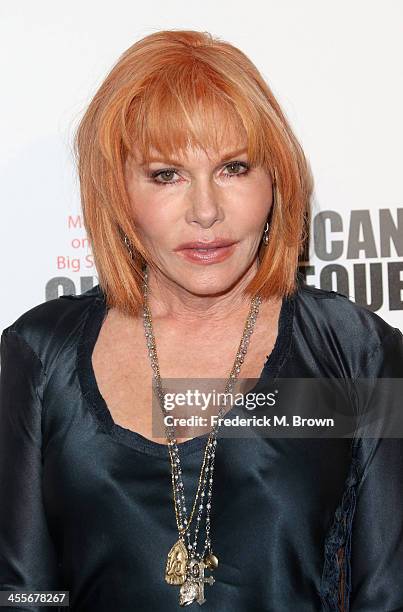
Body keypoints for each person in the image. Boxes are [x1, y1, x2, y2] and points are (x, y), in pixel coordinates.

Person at [0, 29, 402, 612]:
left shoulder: (357, 351)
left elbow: (387, 591)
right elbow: (26, 596)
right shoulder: (37, 357)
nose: (206, 211)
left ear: (275, 181)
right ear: (117, 191)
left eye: (234, 168)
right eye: (166, 175)